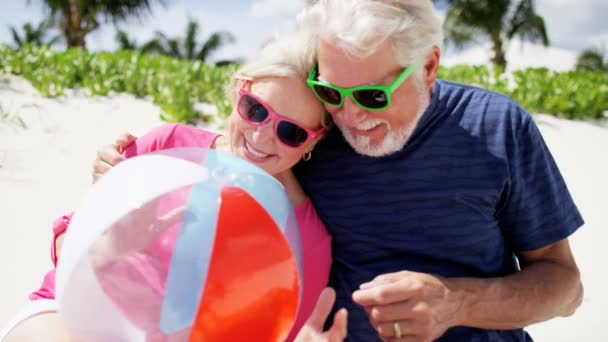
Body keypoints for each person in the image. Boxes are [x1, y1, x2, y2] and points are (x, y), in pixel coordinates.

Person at [1, 29, 347, 342]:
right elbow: (64, 249)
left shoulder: (306, 239)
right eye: (255, 109)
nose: (260, 135)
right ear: (239, 91)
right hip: (69, 312)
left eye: (290, 132)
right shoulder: (168, 144)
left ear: (313, 143)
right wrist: (106, 242)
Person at [290, 0, 584, 341]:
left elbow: (566, 288)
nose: (348, 116)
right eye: (330, 91)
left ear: (428, 67)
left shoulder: (497, 126)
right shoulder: (307, 132)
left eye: (372, 96)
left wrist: (455, 303)